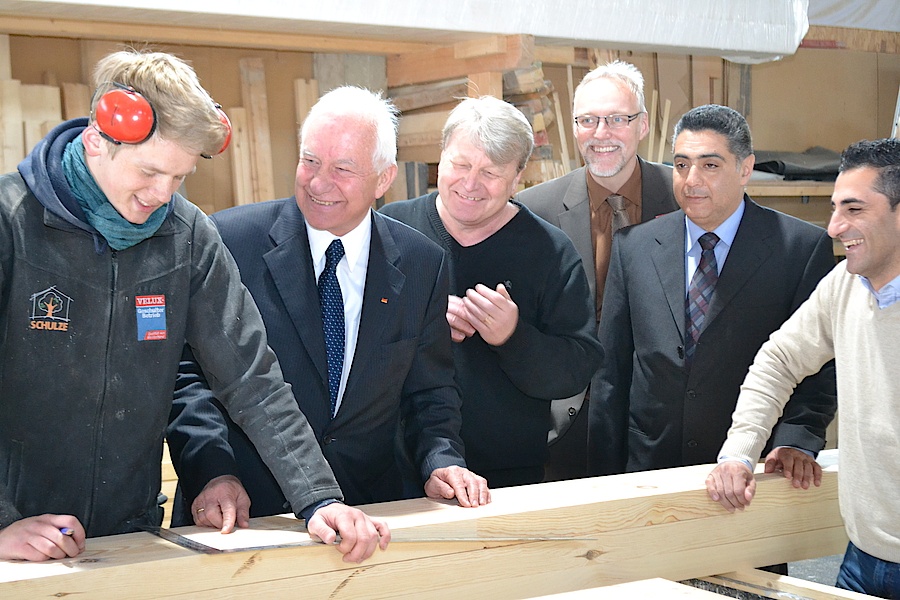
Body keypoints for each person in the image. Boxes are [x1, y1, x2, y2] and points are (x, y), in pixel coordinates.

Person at [0, 50, 387, 563]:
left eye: (179, 178)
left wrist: (318, 498)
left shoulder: (186, 237)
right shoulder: (12, 225)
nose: (162, 195)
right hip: (17, 537)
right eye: (151, 171)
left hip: (129, 533)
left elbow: (250, 376)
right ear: (97, 139)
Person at [167, 86, 489, 526]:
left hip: (362, 515)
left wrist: (441, 460)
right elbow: (187, 375)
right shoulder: (228, 241)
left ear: (383, 178)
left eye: (342, 168)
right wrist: (212, 471)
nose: (318, 183)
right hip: (237, 511)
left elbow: (429, 391)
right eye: (310, 161)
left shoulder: (421, 263)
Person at [589, 104, 837, 481]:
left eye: (710, 165)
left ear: (745, 168)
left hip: (754, 467)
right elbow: (612, 372)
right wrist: (604, 477)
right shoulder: (634, 248)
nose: (691, 180)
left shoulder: (800, 249)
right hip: (649, 468)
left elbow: (820, 364)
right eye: (682, 164)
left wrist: (796, 439)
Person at [707, 138, 900, 599]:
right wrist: (740, 452)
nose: (834, 227)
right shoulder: (844, 285)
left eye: (853, 209)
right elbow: (778, 360)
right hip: (863, 555)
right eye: (835, 208)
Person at [381, 96, 602, 488]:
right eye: (460, 164)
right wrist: (421, 318)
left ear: (519, 178)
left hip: (506, 476)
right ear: (441, 156)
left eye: (490, 173)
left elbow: (576, 370)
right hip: (392, 471)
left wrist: (513, 337)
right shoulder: (390, 231)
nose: (470, 184)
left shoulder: (550, 251)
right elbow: (346, 339)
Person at [518, 60, 678, 480]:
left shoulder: (683, 200)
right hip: (568, 419)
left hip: (663, 416)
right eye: (588, 120)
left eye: (617, 119)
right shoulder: (535, 211)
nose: (601, 133)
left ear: (642, 125)